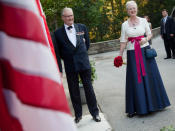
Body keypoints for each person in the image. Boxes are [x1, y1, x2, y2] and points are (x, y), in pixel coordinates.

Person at [114, 0, 170, 118]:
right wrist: (120, 55)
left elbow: (149, 34)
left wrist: (145, 39)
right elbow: (123, 41)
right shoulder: (124, 25)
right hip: (132, 54)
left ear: (137, 8)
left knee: (150, 76)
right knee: (135, 79)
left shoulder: (144, 21)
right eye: (130, 9)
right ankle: (135, 108)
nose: (132, 10)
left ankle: (155, 104)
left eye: (134, 8)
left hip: (145, 52)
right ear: (127, 11)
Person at [53, 7, 101, 123]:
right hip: (70, 66)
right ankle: (78, 115)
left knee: (89, 89)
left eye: (71, 15)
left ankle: (95, 113)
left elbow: (87, 44)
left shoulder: (82, 27)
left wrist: (81, 54)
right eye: (68, 16)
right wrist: (59, 69)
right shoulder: (57, 33)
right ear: (63, 18)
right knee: (74, 91)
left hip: (84, 63)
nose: (70, 18)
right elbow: (57, 54)